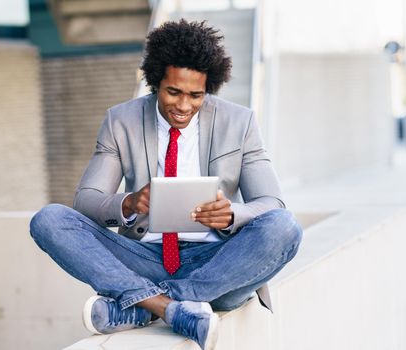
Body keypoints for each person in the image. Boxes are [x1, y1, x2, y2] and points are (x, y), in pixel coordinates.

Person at [30, 19, 302, 350]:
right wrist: (127, 204)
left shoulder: (240, 122)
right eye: (174, 92)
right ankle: (173, 309)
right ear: (156, 81)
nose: (184, 106)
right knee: (49, 220)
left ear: (208, 89)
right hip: (143, 257)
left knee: (284, 228)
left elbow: (272, 203)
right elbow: (87, 200)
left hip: (216, 263)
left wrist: (232, 214)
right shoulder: (121, 121)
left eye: (195, 95)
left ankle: (146, 306)